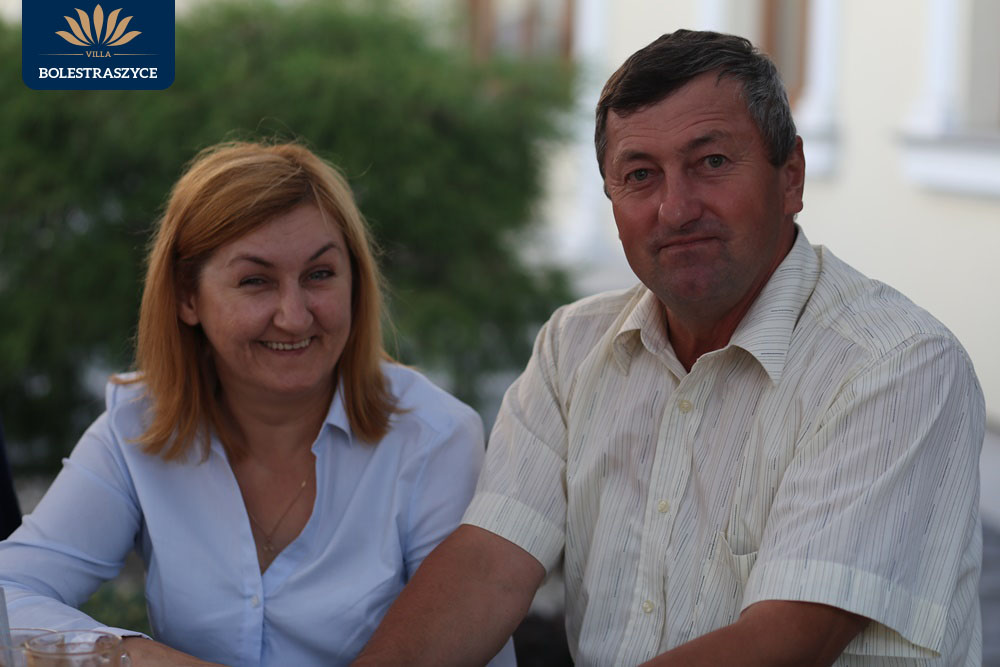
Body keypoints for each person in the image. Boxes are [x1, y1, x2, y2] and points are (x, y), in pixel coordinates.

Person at [354, 30, 985, 666]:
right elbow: (487, 567)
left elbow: (785, 643)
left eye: (711, 162)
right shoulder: (573, 348)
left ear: (790, 177)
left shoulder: (893, 363)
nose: (676, 209)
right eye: (640, 175)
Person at [0, 141, 515, 667]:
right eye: (255, 281)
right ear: (187, 297)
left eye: (319, 275)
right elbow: (10, 590)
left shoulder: (435, 437)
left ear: (355, 282)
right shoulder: (137, 424)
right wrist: (133, 655)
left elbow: (474, 651)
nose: (294, 316)